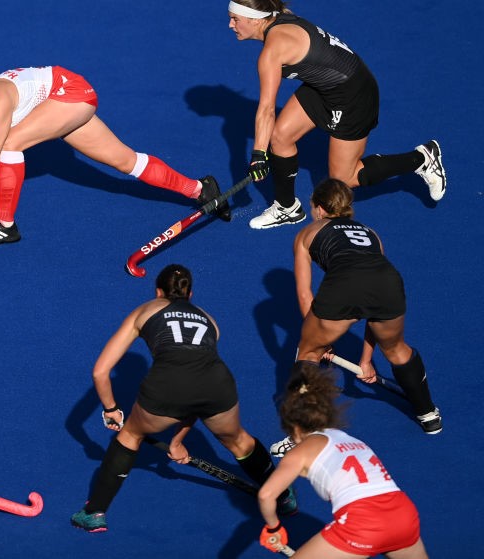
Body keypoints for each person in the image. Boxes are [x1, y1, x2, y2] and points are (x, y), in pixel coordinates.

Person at [0, 15, 230, 247]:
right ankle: (200, 189)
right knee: (125, 161)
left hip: (71, 92)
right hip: (61, 107)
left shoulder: (0, 97)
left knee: (9, 143)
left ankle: (5, 225)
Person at [70, 264, 296, 533]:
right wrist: (177, 441)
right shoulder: (209, 320)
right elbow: (196, 392)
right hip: (218, 384)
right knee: (239, 441)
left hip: (169, 386)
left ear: (158, 292)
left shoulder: (145, 310)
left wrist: (111, 409)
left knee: (130, 435)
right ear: (190, 294)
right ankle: (282, 495)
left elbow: (100, 372)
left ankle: (95, 512)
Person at [227, 0, 446, 230]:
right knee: (280, 137)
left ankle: (421, 158)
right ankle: (287, 207)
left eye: (235, 19)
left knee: (345, 178)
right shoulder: (278, 17)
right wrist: (263, 150)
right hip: (325, 87)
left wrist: (258, 155)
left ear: (255, 19)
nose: (231, 25)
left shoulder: (271, 51)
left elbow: (266, 109)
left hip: (354, 96)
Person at [272, 178, 440, 456]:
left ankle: (300, 435)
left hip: (344, 286)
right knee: (397, 350)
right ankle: (428, 413)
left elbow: (305, 295)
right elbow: (372, 310)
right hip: (388, 283)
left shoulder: (307, 233)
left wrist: (316, 340)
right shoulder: (372, 234)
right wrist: (366, 360)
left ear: (320, 209)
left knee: (308, 352)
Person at [257, 364, 429, 557]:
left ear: (295, 428)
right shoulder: (351, 440)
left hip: (363, 521)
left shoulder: (300, 451)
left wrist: (274, 528)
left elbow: (266, 495)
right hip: (403, 514)